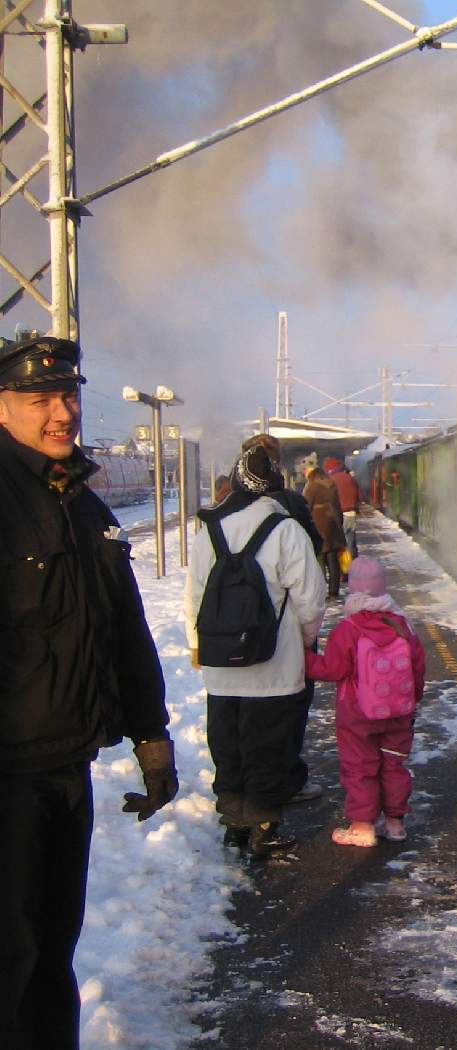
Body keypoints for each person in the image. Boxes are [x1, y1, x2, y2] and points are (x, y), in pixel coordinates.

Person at [0, 334, 176, 1048]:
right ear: (2, 405)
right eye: (39, 399)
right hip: (6, 773)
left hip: (66, 765)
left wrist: (153, 737)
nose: (60, 413)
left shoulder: (82, 505)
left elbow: (126, 632)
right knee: (11, 961)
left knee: (50, 953)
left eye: (67, 396)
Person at [184, 443, 326, 860]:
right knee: (268, 745)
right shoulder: (285, 530)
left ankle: (234, 824)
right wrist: (303, 640)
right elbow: (311, 598)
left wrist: (198, 647)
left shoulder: (207, 531)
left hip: (221, 664)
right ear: (274, 486)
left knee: (227, 745)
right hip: (274, 664)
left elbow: (194, 596)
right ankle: (264, 826)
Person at [305, 556, 424, 846]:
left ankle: (362, 826)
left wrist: (304, 658)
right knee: (394, 764)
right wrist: (411, 700)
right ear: (383, 588)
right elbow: (418, 667)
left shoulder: (348, 629)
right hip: (398, 711)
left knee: (360, 766)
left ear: (354, 589)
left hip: (357, 713)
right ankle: (395, 823)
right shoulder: (401, 626)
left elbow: (332, 669)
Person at [239, 433, 324, 805]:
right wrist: (308, 637)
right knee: (288, 711)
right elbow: (311, 562)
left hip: (234, 626)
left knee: (240, 714)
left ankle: (242, 789)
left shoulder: (223, 507)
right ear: (277, 466)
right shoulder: (289, 505)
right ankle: (286, 778)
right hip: (283, 626)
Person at [302, 464, 347, 598]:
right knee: (333, 559)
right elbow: (338, 507)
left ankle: (321, 590)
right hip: (332, 524)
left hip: (318, 524)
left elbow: (305, 505)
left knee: (320, 558)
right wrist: (339, 524)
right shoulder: (331, 485)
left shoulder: (311, 486)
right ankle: (334, 591)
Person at [324, 456, 362, 558]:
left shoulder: (330, 480)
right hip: (350, 513)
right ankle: (353, 565)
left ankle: (343, 567)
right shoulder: (349, 477)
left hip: (337, 514)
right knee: (350, 541)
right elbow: (359, 495)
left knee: (339, 543)